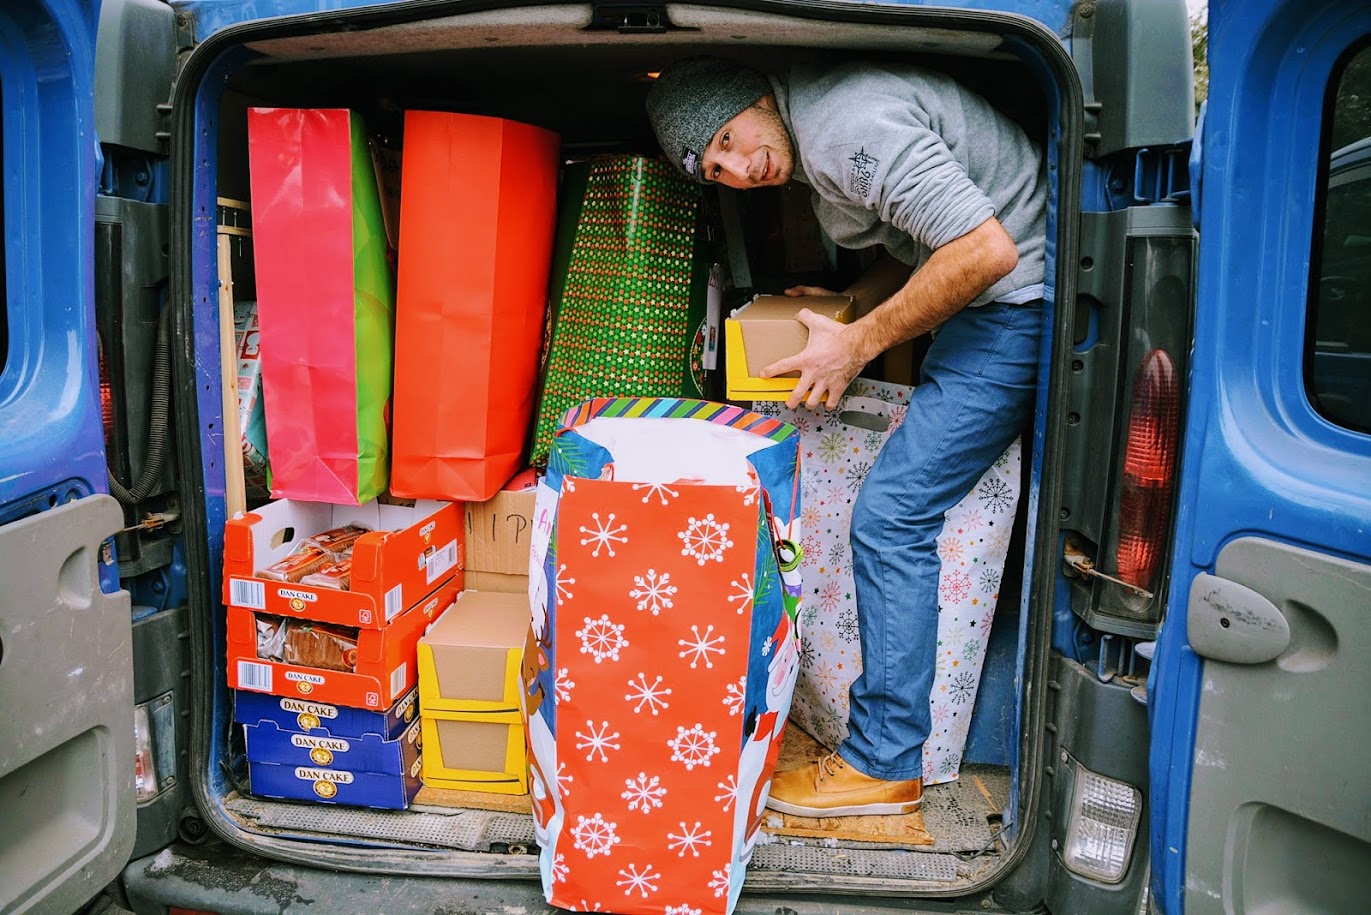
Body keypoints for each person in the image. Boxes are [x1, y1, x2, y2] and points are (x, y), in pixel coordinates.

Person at [646, 56, 1046, 816]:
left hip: (1017, 307)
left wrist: (857, 341)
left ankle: (882, 762)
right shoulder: (813, 139)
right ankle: (882, 752)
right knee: (894, 509)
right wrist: (850, 300)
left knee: (891, 516)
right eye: (716, 168)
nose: (738, 168)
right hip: (989, 309)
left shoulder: (841, 128)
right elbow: (934, 247)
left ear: (756, 95)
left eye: (730, 137)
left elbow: (984, 252)